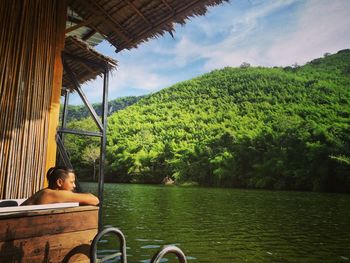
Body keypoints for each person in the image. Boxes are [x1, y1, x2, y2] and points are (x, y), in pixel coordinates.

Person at [21, 166, 99, 206]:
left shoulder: (44, 192)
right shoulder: (53, 194)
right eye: (71, 182)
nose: (74, 185)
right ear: (59, 182)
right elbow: (95, 200)